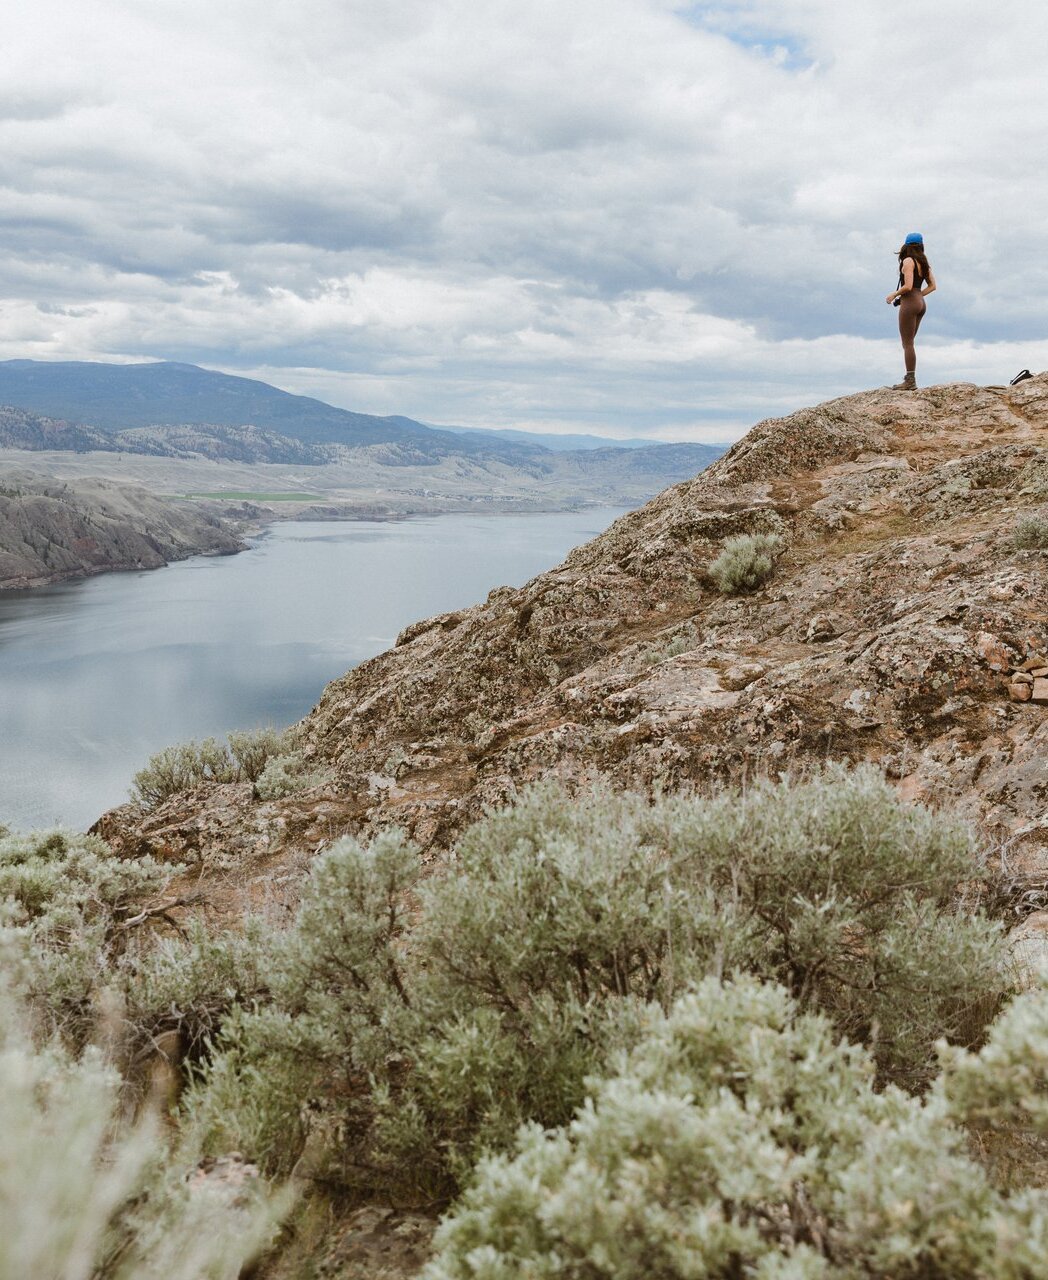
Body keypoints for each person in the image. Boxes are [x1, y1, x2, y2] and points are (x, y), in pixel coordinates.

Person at [885, 232, 936, 390]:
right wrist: (918, 296)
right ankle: (910, 378)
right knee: (910, 343)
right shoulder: (924, 262)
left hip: (910, 303)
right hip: (920, 302)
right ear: (921, 245)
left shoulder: (908, 261)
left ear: (906, 245)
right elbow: (933, 286)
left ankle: (910, 380)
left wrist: (894, 294)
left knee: (907, 344)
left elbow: (907, 285)